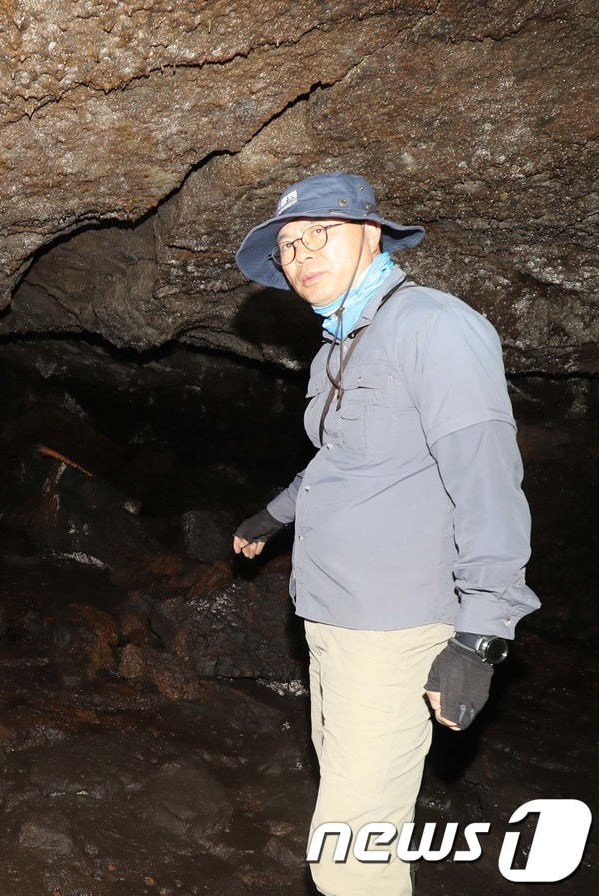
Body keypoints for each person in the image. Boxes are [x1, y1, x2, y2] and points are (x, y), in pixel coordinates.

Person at [229, 172, 540, 896]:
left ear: (372, 234)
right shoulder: (338, 347)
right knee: (357, 813)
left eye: (321, 233)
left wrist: (481, 635)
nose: (302, 254)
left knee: (349, 853)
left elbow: (488, 479)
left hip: (392, 630)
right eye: (288, 245)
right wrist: (274, 515)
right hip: (332, 616)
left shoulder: (433, 327)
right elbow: (340, 459)